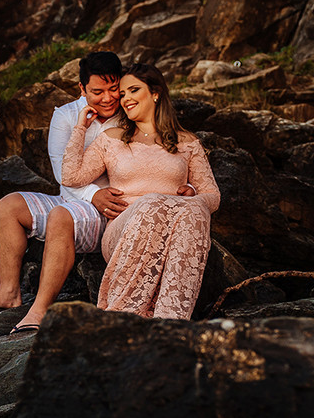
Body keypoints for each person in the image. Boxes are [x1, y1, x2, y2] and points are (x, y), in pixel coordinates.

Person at [0, 51, 128, 334]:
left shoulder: (129, 113)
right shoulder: (65, 115)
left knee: (61, 216)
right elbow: (62, 174)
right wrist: (91, 195)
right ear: (82, 88)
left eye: (114, 89)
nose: (108, 98)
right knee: (9, 205)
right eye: (98, 91)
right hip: (74, 199)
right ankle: (9, 292)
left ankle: (40, 309)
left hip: (109, 209)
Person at [61, 63, 220, 320]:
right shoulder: (112, 137)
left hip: (174, 228)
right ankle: (122, 313)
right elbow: (71, 176)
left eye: (133, 90)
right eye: (122, 94)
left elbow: (212, 196)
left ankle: (171, 319)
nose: (125, 99)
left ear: (155, 93)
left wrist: (194, 196)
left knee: (196, 210)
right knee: (152, 203)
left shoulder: (187, 141)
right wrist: (81, 127)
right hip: (124, 230)